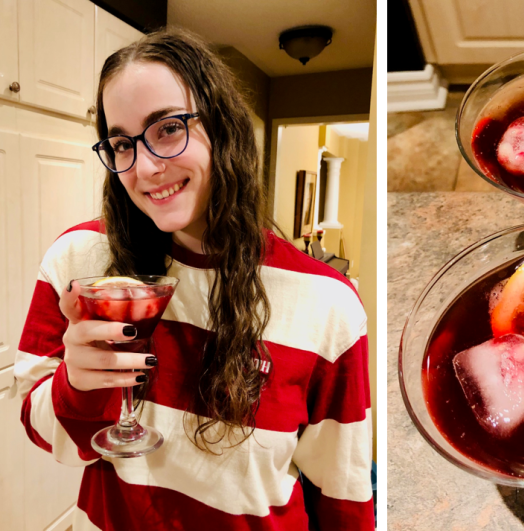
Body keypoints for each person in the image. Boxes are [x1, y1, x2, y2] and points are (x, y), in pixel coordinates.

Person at [13, 28, 373, 530]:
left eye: (168, 128)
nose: (144, 167)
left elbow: (344, 493)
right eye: (121, 143)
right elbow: (45, 434)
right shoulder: (80, 262)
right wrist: (77, 384)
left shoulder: (327, 301)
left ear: (222, 128)